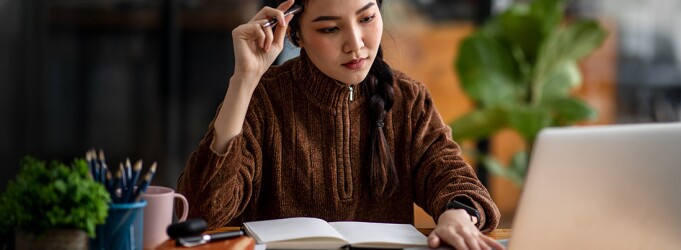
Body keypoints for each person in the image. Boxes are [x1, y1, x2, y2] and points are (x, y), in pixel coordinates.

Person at [176, 0, 503, 249]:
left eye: (367, 18)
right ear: (295, 34)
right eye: (330, 29)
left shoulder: (408, 99)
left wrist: (458, 214)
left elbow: (455, 180)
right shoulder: (262, 99)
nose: (356, 44)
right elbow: (203, 213)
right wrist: (244, 80)